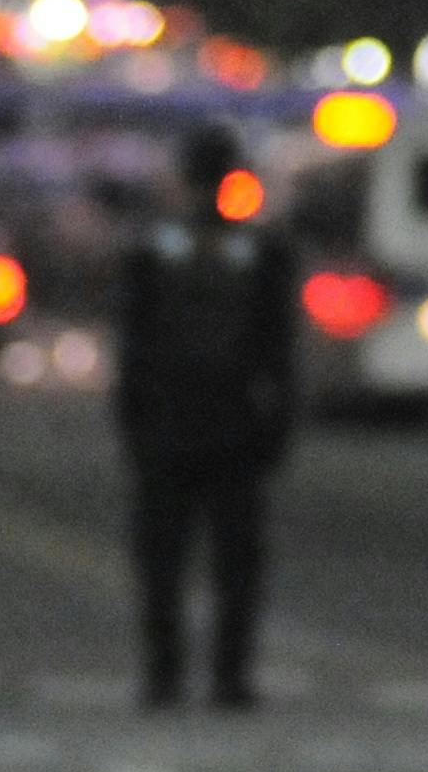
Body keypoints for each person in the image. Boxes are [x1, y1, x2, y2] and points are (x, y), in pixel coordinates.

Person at [112, 120, 299, 708]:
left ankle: (165, 675)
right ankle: (230, 677)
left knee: (162, 563)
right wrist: (276, 428)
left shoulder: (151, 252)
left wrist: (133, 424)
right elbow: (280, 351)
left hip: (170, 425)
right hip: (236, 424)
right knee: (236, 564)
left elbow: (132, 347)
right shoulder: (264, 254)